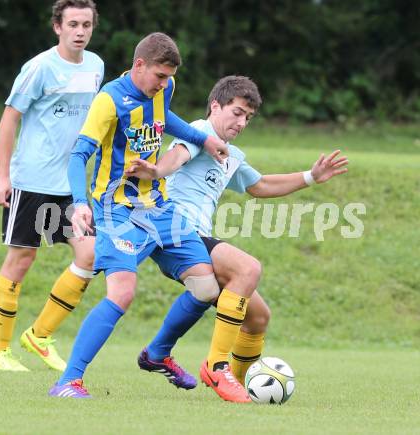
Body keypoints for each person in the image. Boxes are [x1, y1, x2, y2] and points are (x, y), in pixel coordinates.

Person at [127, 75, 349, 402]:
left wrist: (310, 177)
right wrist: (158, 171)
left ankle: (238, 382)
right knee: (248, 268)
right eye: (237, 112)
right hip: (175, 230)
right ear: (216, 106)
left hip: (196, 237)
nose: (241, 121)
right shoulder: (199, 131)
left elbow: (260, 186)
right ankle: (217, 368)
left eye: (248, 117)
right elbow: (177, 157)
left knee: (258, 317)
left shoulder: (230, 154)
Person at [48, 32, 229, 398]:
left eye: (168, 78)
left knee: (207, 286)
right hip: (116, 210)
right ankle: (68, 381)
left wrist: (202, 138)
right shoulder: (109, 101)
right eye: (159, 76)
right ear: (139, 65)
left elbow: (165, 119)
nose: (164, 84)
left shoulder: (164, 87)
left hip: (159, 207)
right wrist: (81, 202)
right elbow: (79, 155)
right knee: (123, 293)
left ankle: (157, 354)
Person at [0, 0, 104, 373]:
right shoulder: (39, 68)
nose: (80, 31)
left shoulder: (97, 66)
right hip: (32, 179)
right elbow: (9, 119)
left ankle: (39, 335)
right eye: (72, 24)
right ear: (58, 27)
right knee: (22, 258)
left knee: (90, 254)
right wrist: (3, 176)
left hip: (70, 184)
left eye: (86, 24)